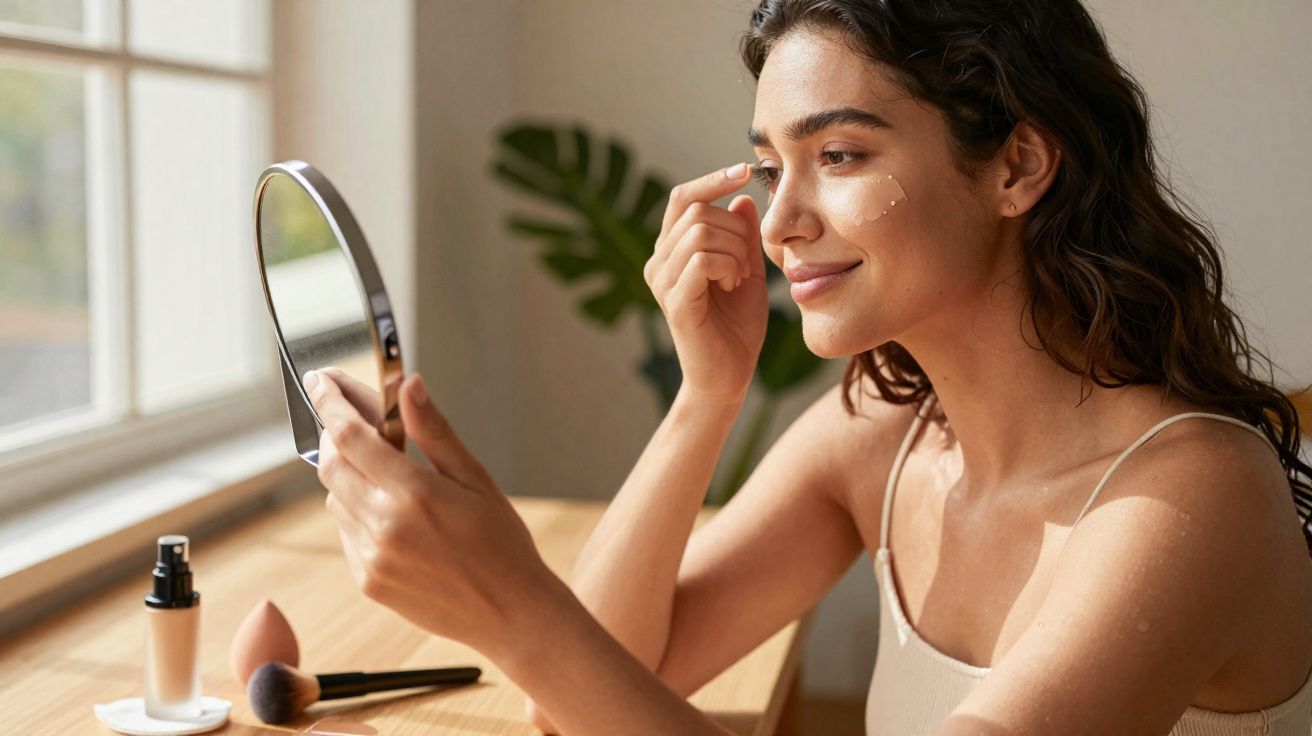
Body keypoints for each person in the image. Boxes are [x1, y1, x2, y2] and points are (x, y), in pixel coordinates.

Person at [303, 0, 1312, 733]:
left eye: (838, 156)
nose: (780, 222)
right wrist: (707, 396)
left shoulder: (1188, 498)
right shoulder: (882, 435)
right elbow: (579, 695)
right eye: (770, 163)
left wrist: (516, 606)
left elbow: (564, 668)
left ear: (1016, 166)